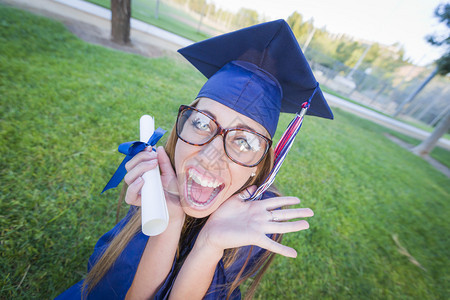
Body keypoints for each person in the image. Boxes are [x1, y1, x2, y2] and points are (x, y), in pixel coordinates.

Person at [56, 19, 333, 300]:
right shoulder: (161, 177)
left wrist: (209, 246)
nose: (209, 157)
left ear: (259, 166)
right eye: (201, 123)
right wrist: (171, 215)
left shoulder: (257, 221)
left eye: (245, 141)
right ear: (181, 127)